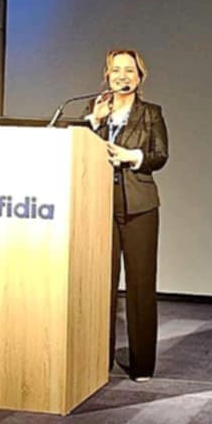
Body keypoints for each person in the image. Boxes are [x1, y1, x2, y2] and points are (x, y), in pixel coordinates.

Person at [84, 48, 168, 381]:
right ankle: (97, 361)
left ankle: (142, 365)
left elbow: (160, 155)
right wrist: (95, 122)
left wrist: (131, 156)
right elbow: (78, 149)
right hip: (98, 206)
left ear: (140, 77)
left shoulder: (151, 113)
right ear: (107, 75)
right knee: (99, 286)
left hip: (139, 207)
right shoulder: (94, 111)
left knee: (140, 286)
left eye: (129, 70)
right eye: (116, 70)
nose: (123, 76)